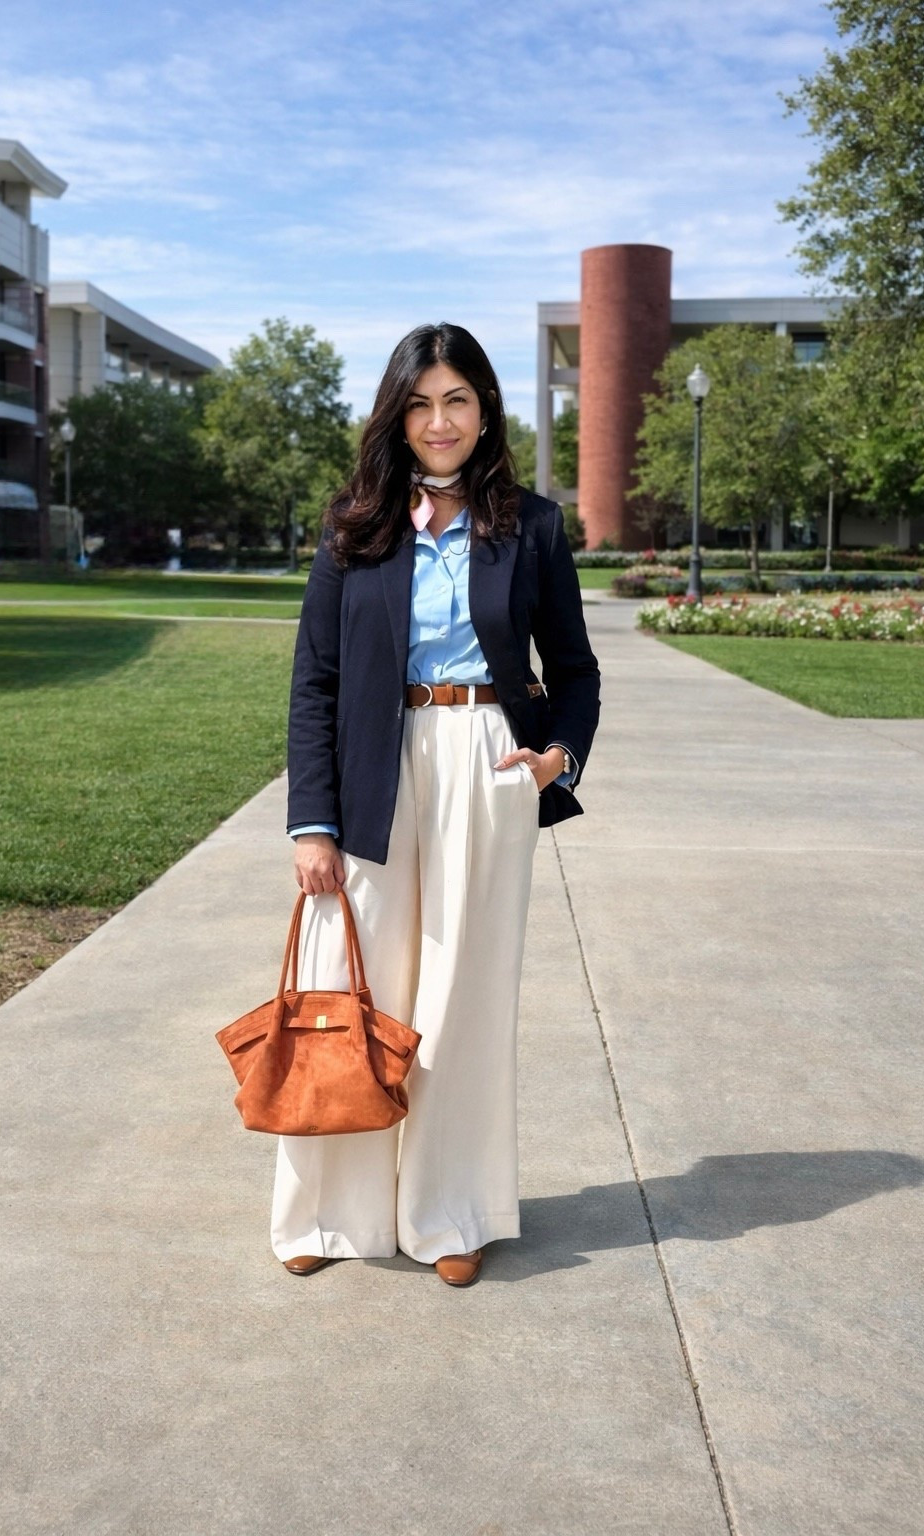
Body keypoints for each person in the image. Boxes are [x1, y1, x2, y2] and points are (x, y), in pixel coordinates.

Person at [275, 322, 601, 1286]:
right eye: (420, 402)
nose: (439, 420)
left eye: (457, 399)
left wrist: (555, 760)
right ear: (397, 415)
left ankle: (450, 1212)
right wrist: (312, 821)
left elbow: (574, 668)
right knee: (351, 980)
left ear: (485, 409)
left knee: (461, 997)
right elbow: (315, 684)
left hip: (488, 765)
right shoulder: (353, 527)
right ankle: (331, 1217)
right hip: (378, 759)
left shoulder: (532, 527)